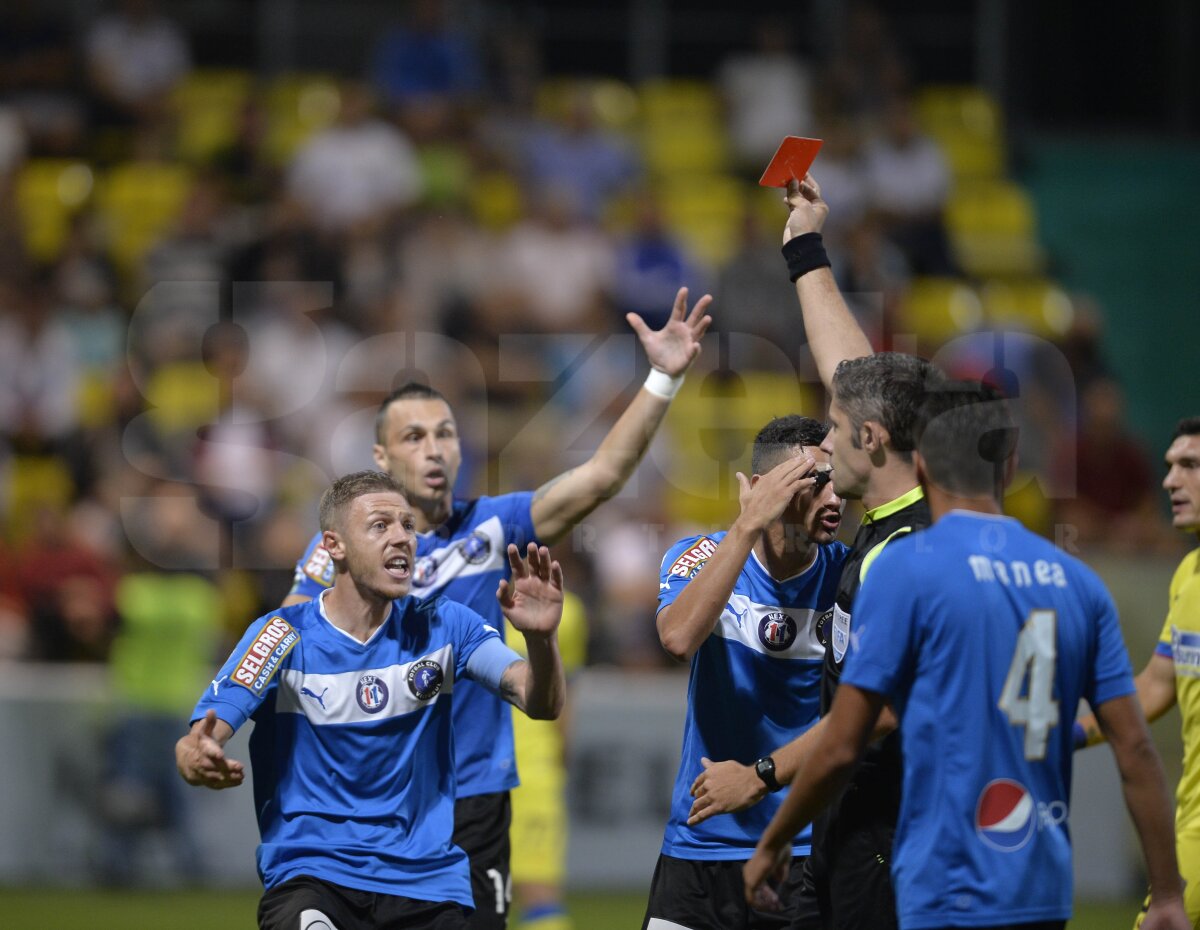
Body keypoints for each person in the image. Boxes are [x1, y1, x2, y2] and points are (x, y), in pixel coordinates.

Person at [285, 286, 712, 929]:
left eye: (446, 434)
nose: (435, 449)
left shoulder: (493, 526)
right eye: (414, 436)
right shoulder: (347, 550)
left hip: (474, 791)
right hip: (374, 792)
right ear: (381, 456)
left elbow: (602, 477)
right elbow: (291, 630)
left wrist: (660, 379)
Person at [743, 385, 1190, 930]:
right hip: (1042, 884)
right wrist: (1167, 892)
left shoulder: (907, 570)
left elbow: (842, 743)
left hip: (944, 880)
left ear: (923, 462)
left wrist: (777, 838)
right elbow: (1137, 747)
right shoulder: (1077, 582)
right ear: (1013, 465)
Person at [688, 175, 937, 930]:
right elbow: (854, 377)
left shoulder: (904, 556)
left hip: (885, 834)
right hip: (853, 826)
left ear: (872, 439)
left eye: (834, 426)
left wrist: (759, 778)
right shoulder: (897, 517)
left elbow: (878, 718)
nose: (824, 441)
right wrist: (805, 246)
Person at [176, 470, 567, 930]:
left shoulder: (445, 626)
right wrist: (195, 756)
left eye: (407, 525)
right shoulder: (279, 636)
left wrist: (541, 642)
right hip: (315, 877)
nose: (402, 537)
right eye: (380, 526)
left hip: (426, 882)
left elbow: (538, 700)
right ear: (333, 547)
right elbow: (202, 736)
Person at [641, 415, 848, 930]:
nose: (835, 499)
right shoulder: (700, 555)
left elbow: (858, 714)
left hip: (802, 850)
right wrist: (747, 526)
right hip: (701, 845)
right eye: (816, 481)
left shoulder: (852, 577)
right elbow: (678, 638)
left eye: (839, 481)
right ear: (762, 488)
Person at [1074, 416, 1200, 927]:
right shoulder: (1189, 577)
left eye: (1190, 465)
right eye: (1169, 467)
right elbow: (1154, 686)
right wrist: (1067, 735)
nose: (1170, 481)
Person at [506, 591, 587, 930]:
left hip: (531, 766)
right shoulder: (466, 598)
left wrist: (558, 756)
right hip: (483, 769)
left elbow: (565, 697)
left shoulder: (568, 612)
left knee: (538, 892)